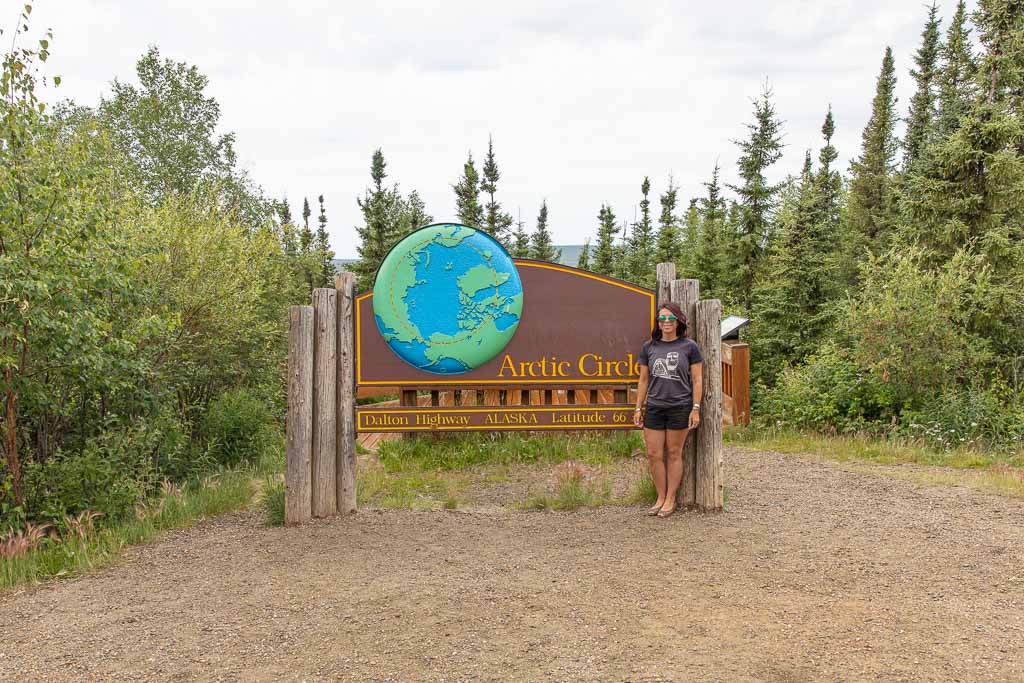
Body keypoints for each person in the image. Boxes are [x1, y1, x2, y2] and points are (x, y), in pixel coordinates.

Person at [633, 302, 703, 518]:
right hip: (655, 407)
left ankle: (671, 499)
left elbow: (697, 380)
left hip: (680, 407)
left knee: (674, 453)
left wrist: (695, 408)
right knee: (654, 454)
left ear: (678, 321)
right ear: (657, 322)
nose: (666, 322)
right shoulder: (649, 347)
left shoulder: (689, 347)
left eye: (670, 318)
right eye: (662, 318)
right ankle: (660, 497)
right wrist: (638, 408)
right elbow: (643, 380)